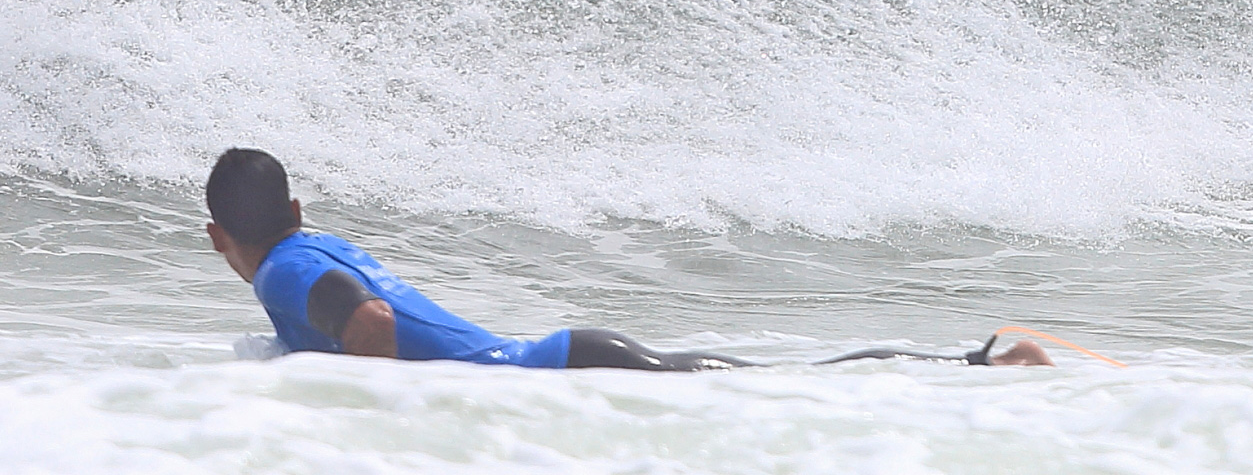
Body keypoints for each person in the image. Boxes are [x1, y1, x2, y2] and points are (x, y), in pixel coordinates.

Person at [205, 147, 1052, 370]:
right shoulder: (316, 243)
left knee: (788, 380)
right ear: (296, 208)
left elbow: (371, 320)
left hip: (558, 369)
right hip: (561, 358)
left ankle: (978, 361)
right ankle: (973, 362)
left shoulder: (282, 270)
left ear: (218, 239)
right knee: (768, 377)